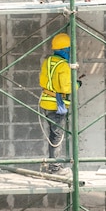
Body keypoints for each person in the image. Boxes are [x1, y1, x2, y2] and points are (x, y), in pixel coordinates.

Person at [39, 33, 76, 175]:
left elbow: (43, 82)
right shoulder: (64, 66)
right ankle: (55, 168)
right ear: (66, 50)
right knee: (57, 136)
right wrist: (76, 84)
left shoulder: (47, 62)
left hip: (46, 102)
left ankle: (53, 165)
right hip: (57, 105)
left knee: (54, 134)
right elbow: (67, 88)